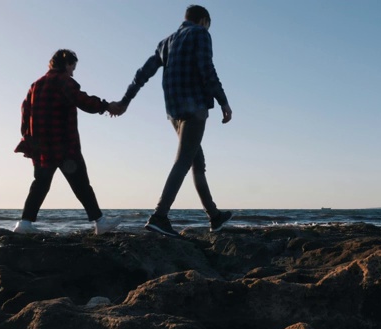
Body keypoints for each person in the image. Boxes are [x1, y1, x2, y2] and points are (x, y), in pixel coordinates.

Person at [110, 5, 233, 237]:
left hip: (174, 111)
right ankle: (159, 216)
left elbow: (143, 73)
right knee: (184, 161)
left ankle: (214, 216)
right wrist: (223, 101)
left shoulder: (165, 42)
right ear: (203, 20)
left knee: (197, 161)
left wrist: (126, 100)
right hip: (194, 106)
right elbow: (207, 69)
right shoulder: (200, 33)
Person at [14, 49, 121, 235]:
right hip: (64, 145)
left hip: (41, 147)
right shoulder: (64, 81)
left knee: (40, 184)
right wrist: (106, 106)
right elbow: (83, 101)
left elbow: (25, 112)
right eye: (73, 67)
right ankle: (100, 222)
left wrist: (28, 138)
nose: (73, 72)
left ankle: (24, 224)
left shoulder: (35, 85)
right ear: (67, 64)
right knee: (81, 185)